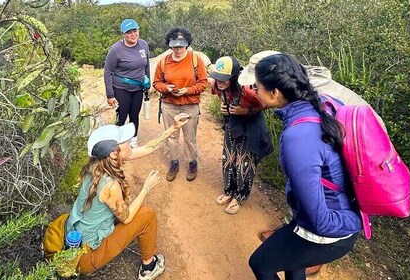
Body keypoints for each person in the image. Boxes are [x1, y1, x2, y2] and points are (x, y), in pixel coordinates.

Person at [240, 53, 362, 280]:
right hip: (333, 212)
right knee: (294, 263)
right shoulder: (322, 104)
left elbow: (320, 220)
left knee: (260, 263)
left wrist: (354, 221)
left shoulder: (298, 137)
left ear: (275, 93)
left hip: (329, 230)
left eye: (256, 87)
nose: (253, 91)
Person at [65, 113, 191, 279]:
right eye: (125, 141)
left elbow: (148, 148)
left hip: (77, 242)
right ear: (113, 152)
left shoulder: (96, 165)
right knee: (147, 215)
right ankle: (149, 267)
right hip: (88, 257)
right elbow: (126, 218)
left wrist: (173, 128)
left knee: (126, 208)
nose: (131, 142)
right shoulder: (110, 185)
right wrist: (146, 188)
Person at [209, 56, 273, 214]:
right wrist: (223, 107)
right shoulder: (216, 86)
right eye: (217, 78)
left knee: (244, 162)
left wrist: (247, 111)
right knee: (229, 158)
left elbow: (267, 103)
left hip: (251, 125)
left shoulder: (248, 89)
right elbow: (221, 96)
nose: (219, 82)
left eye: (224, 79)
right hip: (233, 123)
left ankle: (239, 197)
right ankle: (229, 191)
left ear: (235, 78)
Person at [153, 27, 208, 182]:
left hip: (190, 104)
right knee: (171, 136)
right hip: (169, 105)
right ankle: (174, 163)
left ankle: (192, 163)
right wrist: (166, 88)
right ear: (170, 45)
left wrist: (188, 90)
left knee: (190, 137)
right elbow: (156, 82)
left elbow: (203, 83)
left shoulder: (196, 60)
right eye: (175, 46)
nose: (178, 49)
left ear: (187, 44)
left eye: (181, 45)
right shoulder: (164, 62)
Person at [104, 19, 151, 147]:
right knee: (122, 115)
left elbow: (146, 65)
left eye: (135, 31)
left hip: (138, 88)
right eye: (129, 32)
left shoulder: (144, 45)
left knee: (134, 115)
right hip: (121, 88)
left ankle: (133, 139)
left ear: (138, 30)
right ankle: (116, 142)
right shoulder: (116, 50)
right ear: (123, 34)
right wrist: (110, 95)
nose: (133, 35)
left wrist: (148, 83)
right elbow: (108, 72)